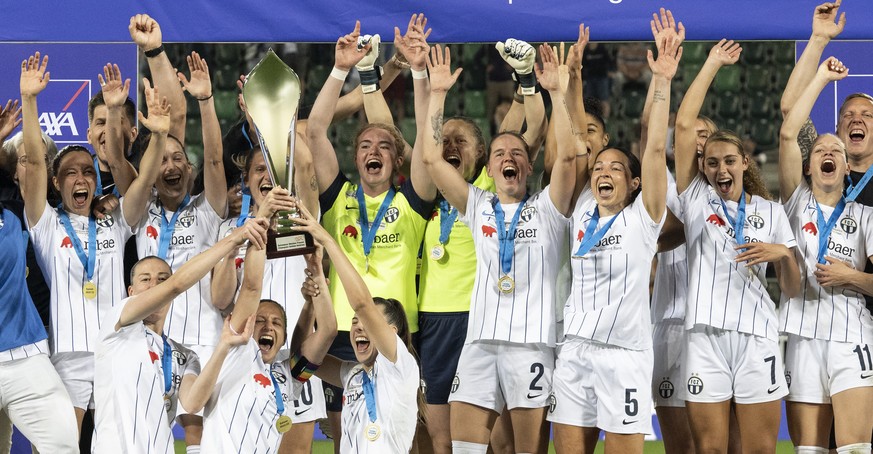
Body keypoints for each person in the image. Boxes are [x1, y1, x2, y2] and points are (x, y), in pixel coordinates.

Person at [420, 41, 574, 453]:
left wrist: (557, 93)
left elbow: (569, 161)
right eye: (501, 152)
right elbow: (433, 161)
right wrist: (436, 93)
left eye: (518, 154)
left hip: (531, 346)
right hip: (480, 344)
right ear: (489, 168)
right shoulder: (477, 204)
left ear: (527, 166)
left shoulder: (548, 208)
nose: (510, 157)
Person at [306, 20, 437, 451]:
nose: (373, 151)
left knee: (407, 431)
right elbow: (313, 132)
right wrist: (340, 69)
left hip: (396, 332)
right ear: (355, 157)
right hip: (343, 330)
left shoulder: (413, 201)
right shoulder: (338, 195)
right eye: (364, 145)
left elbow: (427, 146)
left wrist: (418, 73)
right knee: (350, 433)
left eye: (383, 146)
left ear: (396, 158)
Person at [19, 52, 164, 439]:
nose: (81, 177)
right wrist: (30, 101)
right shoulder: (46, 224)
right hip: (66, 356)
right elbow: (33, 163)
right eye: (69, 173)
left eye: (87, 171)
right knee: (61, 446)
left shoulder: (115, 222)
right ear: (56, 183)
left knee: (118, 444)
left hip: (114, 349)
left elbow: (143, 184)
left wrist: (159, 134)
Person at [549, 24, 679, 454]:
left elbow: (656, 146)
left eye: (616, 168)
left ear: (635, 181)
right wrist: (574, 76)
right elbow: (573, 138)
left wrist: (661, 79)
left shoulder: (644, 219)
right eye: (599, 166)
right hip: (575, 353)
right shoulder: (583, 204)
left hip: (624, 356)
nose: (603, 171)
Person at [675, 47, 801, 453]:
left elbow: (794, 288)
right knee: (710, 448)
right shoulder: (694, 198)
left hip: (757, 336)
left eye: (729, 160)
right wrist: (711, 63)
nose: (720, 170)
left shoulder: (771, 210)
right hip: (704, 337)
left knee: (759, 449)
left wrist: (781, 253)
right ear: (703, 167)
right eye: (712, 163)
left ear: (745, 162)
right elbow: (682, 125)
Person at [93, 219, 268, 453]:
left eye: (161, 279)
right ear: (131, 292)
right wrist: (234, 239)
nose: (155, 285)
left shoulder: (184, 357)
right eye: (145, 279)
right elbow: (176, 285)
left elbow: (193, 403)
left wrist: (224, 345)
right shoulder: (117, 324)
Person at [778, 57, 873, 454]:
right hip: (801, 334)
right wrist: (820, 70)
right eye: (847, 114)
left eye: (866, 114)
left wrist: (850, 276)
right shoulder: (797, 196)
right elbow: (788, 126)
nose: (856, 119)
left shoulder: (866, 214)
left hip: (853, 333)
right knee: (811, 450)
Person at [211, 142, 327, 453]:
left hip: (295, 357)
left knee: (297, 450)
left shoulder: (303, 220)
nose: (267, 176)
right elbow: (221, 299)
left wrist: (269, 123)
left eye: (274, 171)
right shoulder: (230, 231)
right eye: (259, 169)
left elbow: (306, 168)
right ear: (246, 180)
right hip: (248, 359)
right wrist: (236, 244)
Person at [290, 201, 422, 454]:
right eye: (353, 323)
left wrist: (327, 240)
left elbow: (361, 304)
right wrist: (315, 282)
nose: (358, 329)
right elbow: (301, 364)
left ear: (391, 334)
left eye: (368, 324)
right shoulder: (351, 376)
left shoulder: (400, 366)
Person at [201, 211, 336, 453]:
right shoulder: (233, 356)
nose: (268, 327)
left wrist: (316, 277)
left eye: (277, 323)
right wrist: (262, 221)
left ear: (284, 338)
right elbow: (251, 288)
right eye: (260, 320)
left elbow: (327, 332)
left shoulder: (290, 374)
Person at [0, 106, 78, 453]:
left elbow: (33, 171)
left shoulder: (14, 214)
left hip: (25, 356)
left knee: (63, 445)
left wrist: (29, 100)